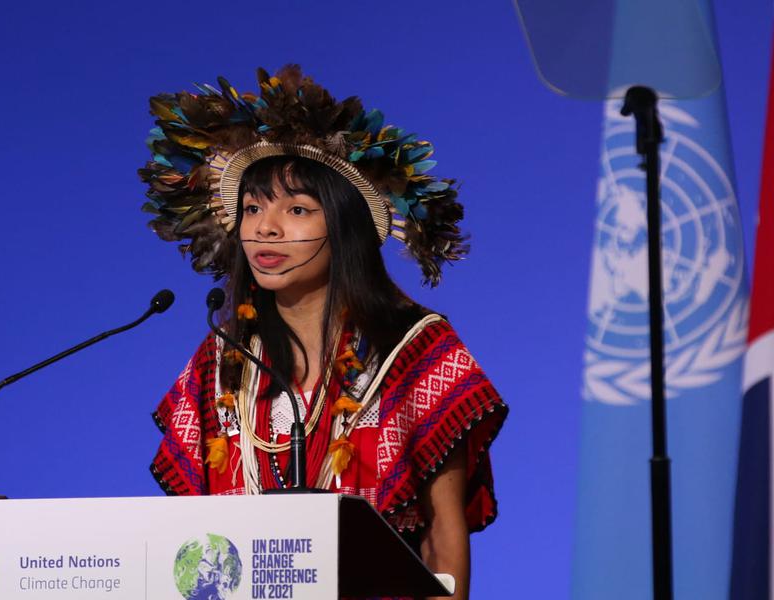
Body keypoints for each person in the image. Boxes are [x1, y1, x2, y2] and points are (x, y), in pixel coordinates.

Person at [141, 65, 507, 600]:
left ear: (344, 228)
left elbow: (442, 537)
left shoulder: (416, 350)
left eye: (296, 209)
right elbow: (189, 544)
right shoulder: (220, 362)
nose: (266, 228)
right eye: (251, 208)